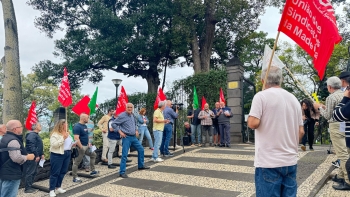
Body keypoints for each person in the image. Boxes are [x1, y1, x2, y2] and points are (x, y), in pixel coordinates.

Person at [248, 66, 304, 196]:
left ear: (263, 80)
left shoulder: (261, 97)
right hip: (290, 161)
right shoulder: (294, 99)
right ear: (281, 80)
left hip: (268, 162)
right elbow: (300, 131)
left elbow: (252, 123)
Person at [314, 76, 350, 190]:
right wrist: (325, 107)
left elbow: (328, 115)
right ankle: (341, 175)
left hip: (335, 125)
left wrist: (319, 108)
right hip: (345, 125)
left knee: (341, 153)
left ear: (329, 87)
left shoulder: (331, 97)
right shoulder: (343, 94)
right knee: (344, 150)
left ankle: (348, 180)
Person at [111, 103, 150, 178]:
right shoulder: (122, 115)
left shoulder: (133, 115)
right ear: (126, 108)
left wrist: (136, 130)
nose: (129, 108)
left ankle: (141, 165)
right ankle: (122, 172)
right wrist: (120, 132)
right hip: (126, 137)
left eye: (131, 107)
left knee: (141, 149)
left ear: (133, 108)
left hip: (134, 137)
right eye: (128, 107)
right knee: (124, 154)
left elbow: (135, 123)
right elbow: (114, 124)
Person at [0, 120, 35, 197]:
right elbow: (16, 158)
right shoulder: (13, 140)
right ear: (15, 129)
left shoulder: (4, 138)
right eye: (20, 127)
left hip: (4, 172)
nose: (22, 128)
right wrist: (28, 157)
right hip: (12, 174)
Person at [49, 119, 74, 197]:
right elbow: (54, 145)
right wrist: (63, 138)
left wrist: (73, 144)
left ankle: (58, 187)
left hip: (67, 153)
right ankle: (51, 190)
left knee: (63, 171)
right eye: (66, 123)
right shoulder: (55, 134)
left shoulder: (68, 133)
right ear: (61, 125)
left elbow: (69, 142)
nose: (67, 125)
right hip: (57, 155)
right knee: (55, 172)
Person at [72, 113, 98, 183]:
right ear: (83, 118)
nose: (88, 119)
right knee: (77, 162)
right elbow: (76, 138)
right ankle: (75, 177)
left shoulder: (85, 126)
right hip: (81, 147)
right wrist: (81, 147)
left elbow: (86, 136)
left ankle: (93, 171)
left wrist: (89, 143)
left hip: (86, 145)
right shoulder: (77, 126)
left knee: (93, 155)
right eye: (87, 118)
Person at [24, 123, 44, 193]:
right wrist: (36, 155)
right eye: (39, 125)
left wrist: (41, 154)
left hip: (36, 156)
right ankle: (27, 188)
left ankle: (30, 185)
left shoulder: (35, 135)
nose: (41, 126)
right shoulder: (31, 135)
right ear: (35, 127)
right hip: (32, 157)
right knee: (30, 171)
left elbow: (38, 146)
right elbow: (31, 146)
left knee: (34, 171)